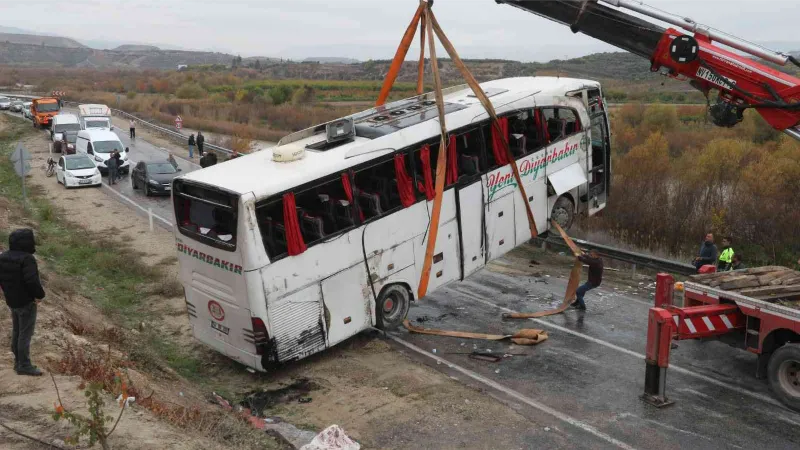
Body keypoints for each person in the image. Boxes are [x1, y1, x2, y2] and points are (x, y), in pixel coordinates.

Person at [0, 229, 46, 376]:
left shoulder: (3, 257)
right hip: (26, 302)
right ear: (27, 243)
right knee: (25, 334)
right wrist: (39, 295)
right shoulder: (27, 259)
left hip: (12, 300)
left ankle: (17, 362)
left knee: (17, 332)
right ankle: (24, 365)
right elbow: (32, 281)